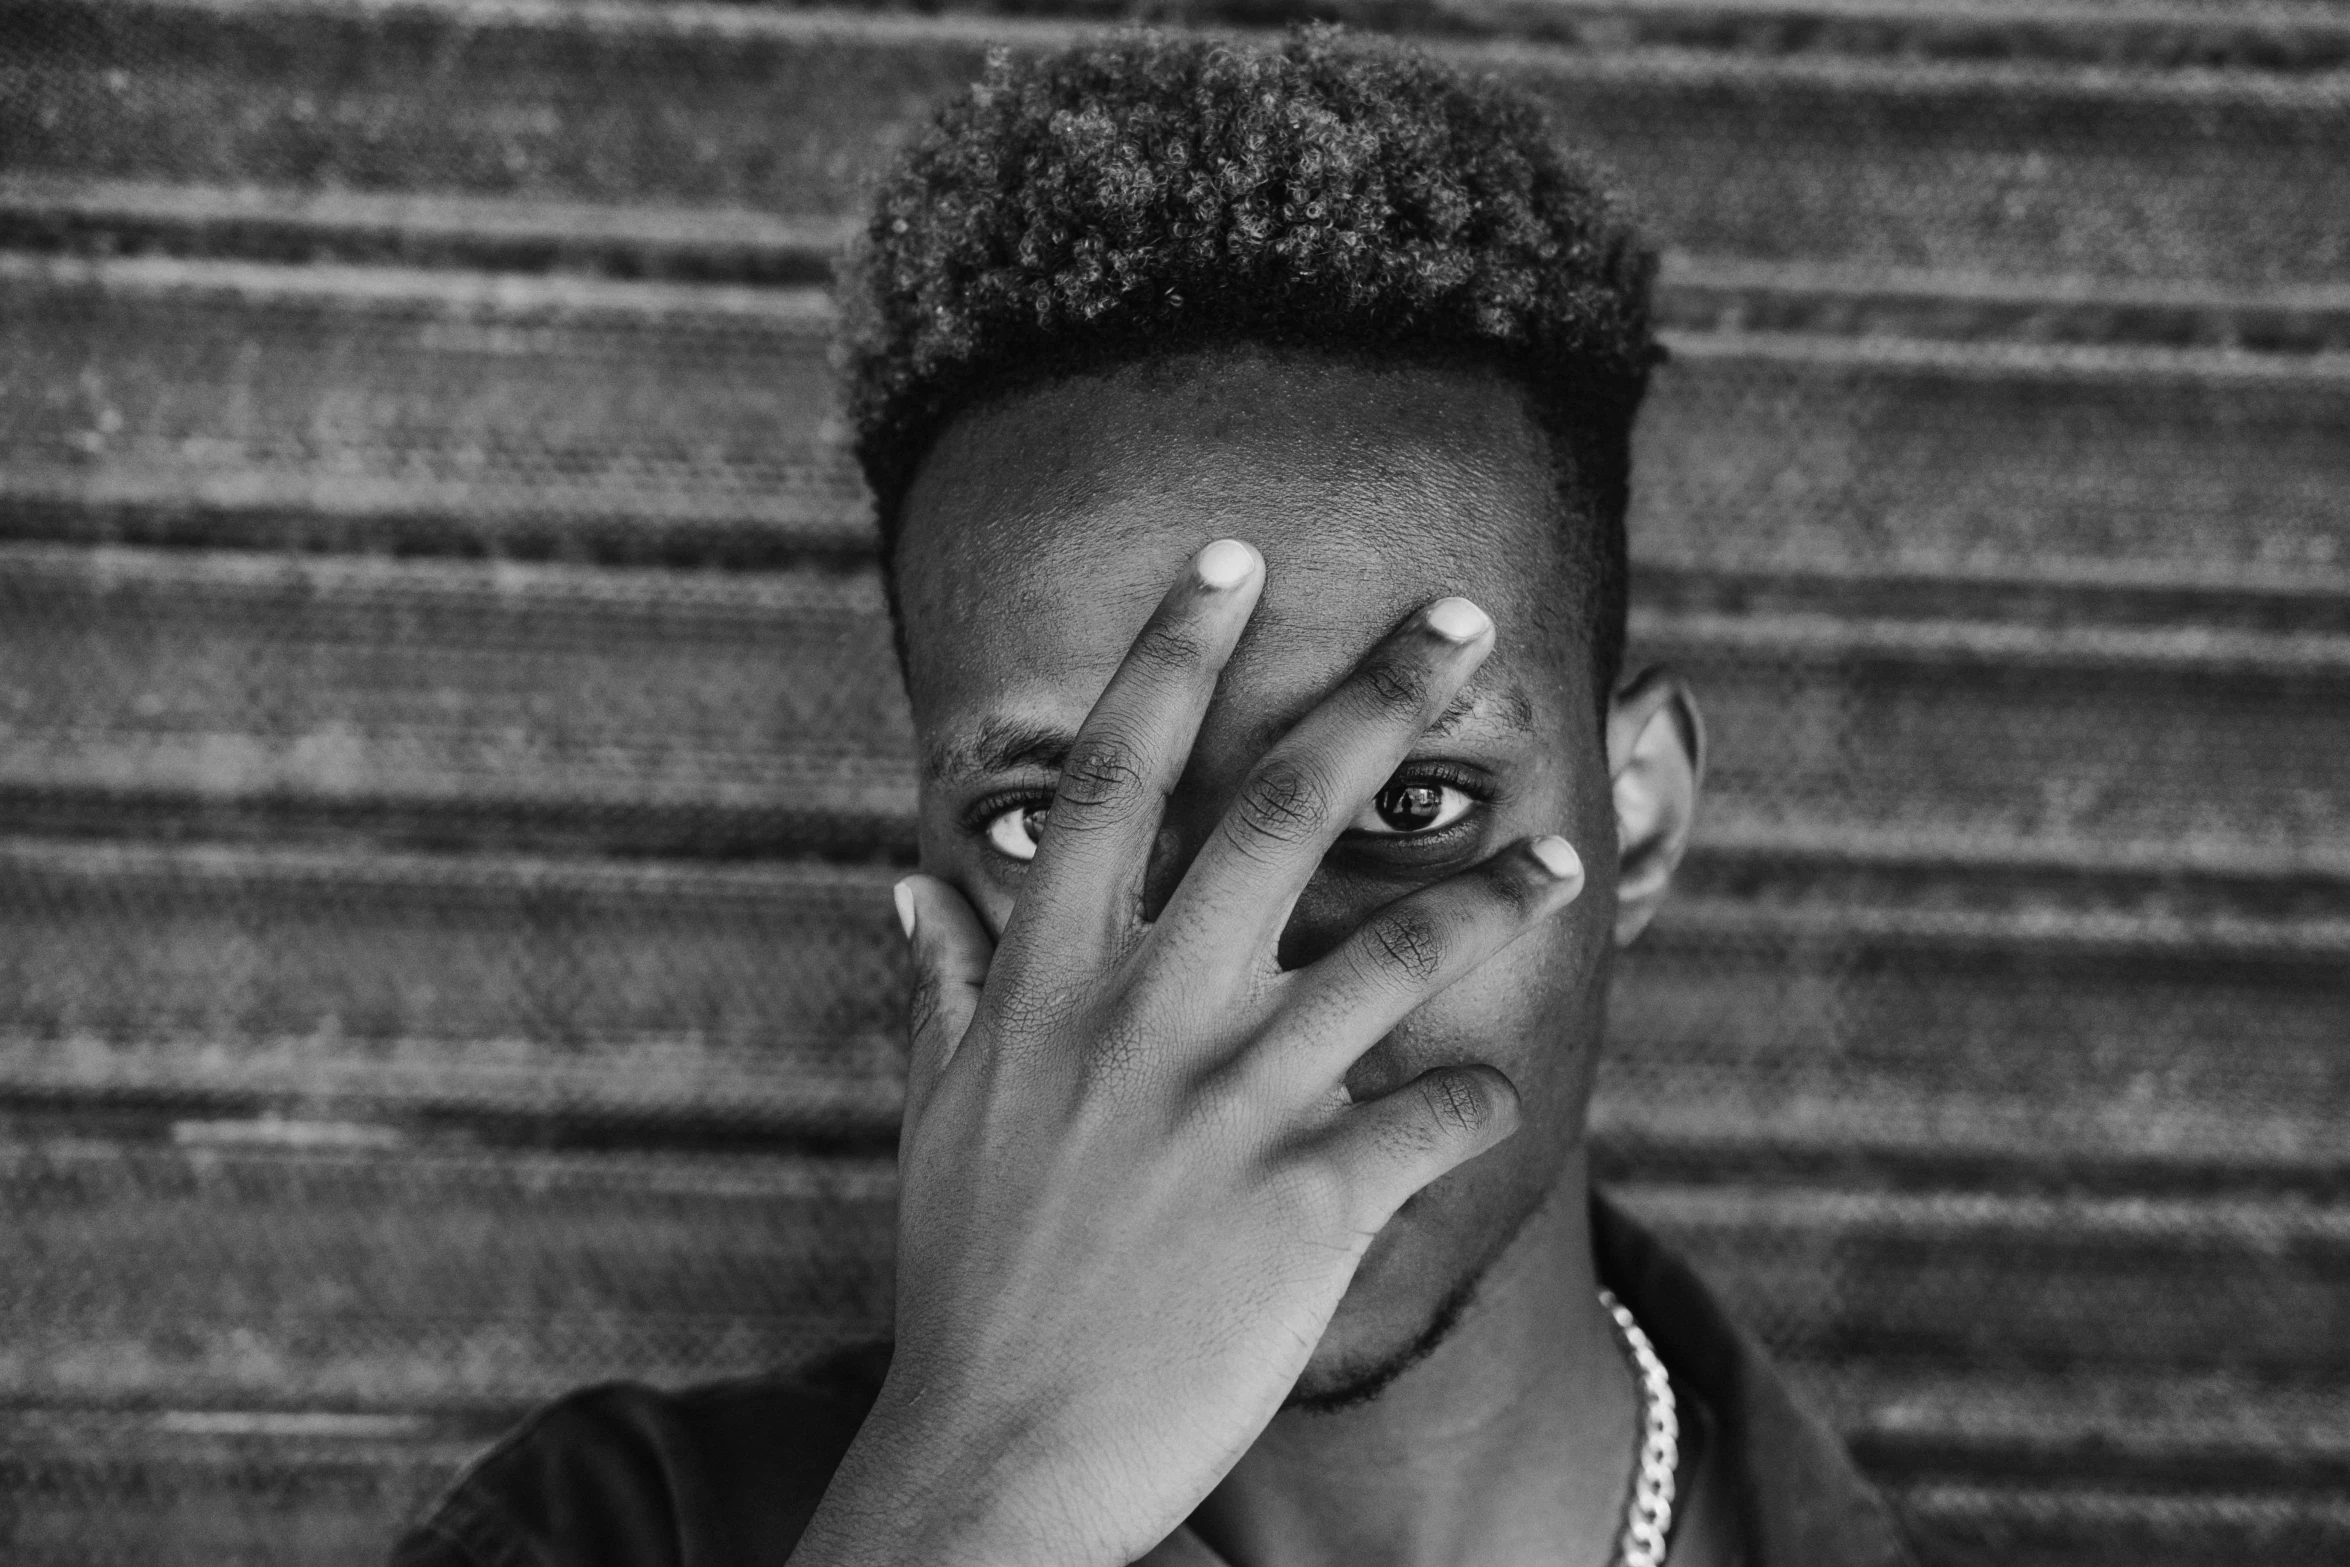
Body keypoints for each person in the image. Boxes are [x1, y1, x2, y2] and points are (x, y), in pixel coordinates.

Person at [395, 27, 1937, 1567]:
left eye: (1410, 807)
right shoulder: (612, 1530)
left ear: (1640, 815)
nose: (1231, 997)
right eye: (1053, 822)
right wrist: (979, 1499)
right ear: (928, 868)